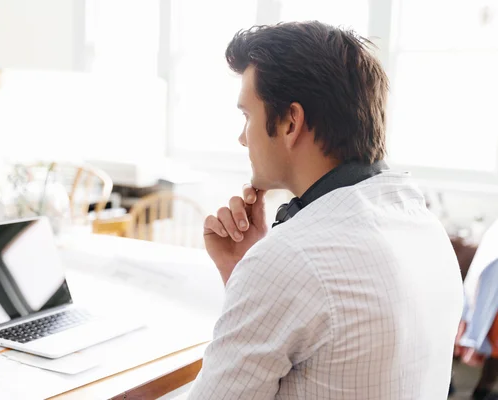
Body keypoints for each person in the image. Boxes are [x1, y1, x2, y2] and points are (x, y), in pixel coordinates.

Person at [187, 21, 463, 399]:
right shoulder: (424, 228)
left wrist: (261, 269)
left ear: (290, 122)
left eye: (247, 116)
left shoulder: (289, 259)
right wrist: (241, 273)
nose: (241, 137)